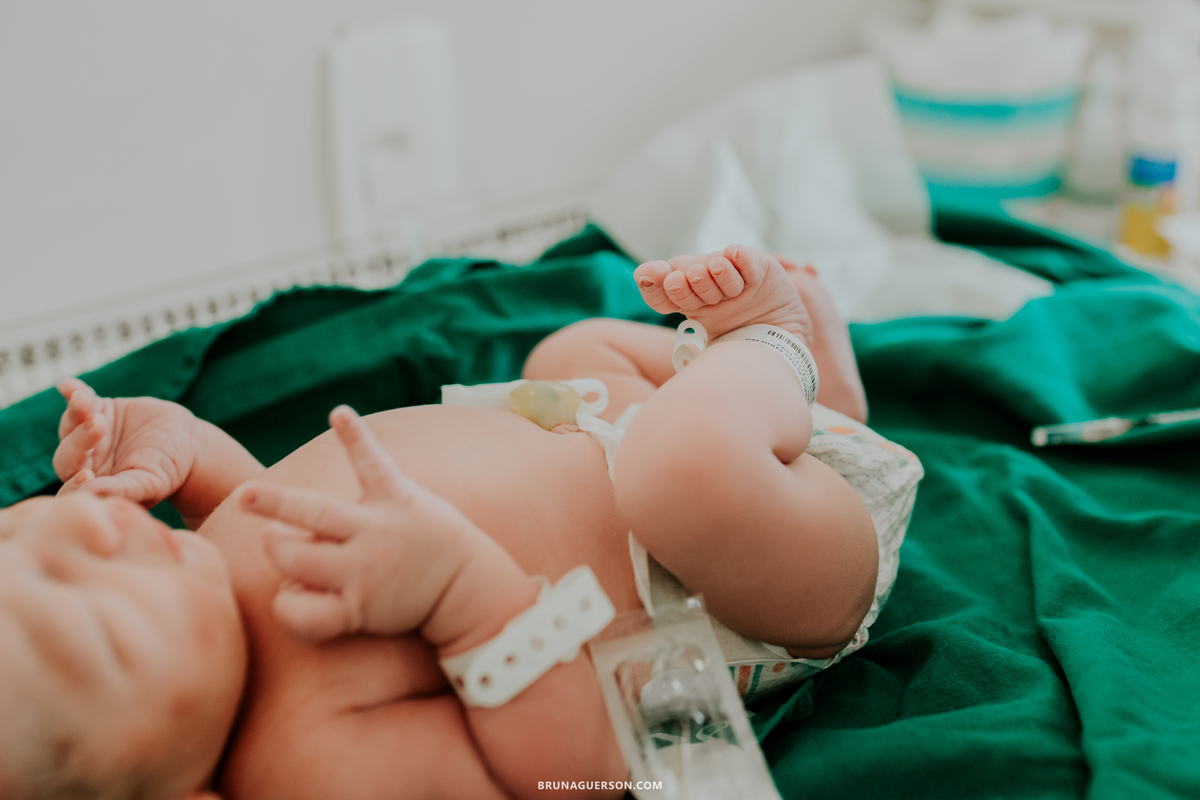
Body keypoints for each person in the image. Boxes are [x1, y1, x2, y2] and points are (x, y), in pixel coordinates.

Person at [0, 245, 919, 799]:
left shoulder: (195, 587)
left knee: (569, 354)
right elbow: (581, 777)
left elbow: (249, 500)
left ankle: (818, 403)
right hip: (757, 573)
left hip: (615, 429)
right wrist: (465, 601)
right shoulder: (311, 767)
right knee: (683, 470)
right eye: (99, 625)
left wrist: (174, 444)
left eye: (20, 538)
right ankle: (775, 353)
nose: (87, 533)